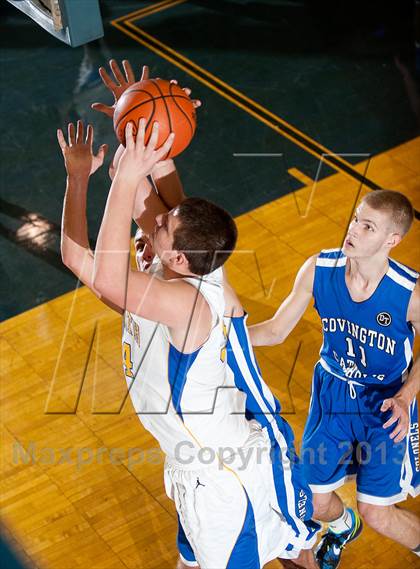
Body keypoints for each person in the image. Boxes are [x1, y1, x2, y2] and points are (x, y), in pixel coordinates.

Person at [57, 84, 318, 569]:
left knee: (286, 548)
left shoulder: (187, 302)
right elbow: (78, 253)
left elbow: (111, 273)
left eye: (158, 226)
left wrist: (126, 174)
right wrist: (138, 132)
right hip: (193, 463)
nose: (149, 219)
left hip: (224, 478)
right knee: (278, 548)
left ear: (177, 256)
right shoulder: (177, 269)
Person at [248, 190, 420, 568]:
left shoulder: (410, 292)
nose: (354, 229)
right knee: (310, 498)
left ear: (392, 240)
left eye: (368, 226)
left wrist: (406, 397)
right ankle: (344, 525)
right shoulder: (318, 269)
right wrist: (227, 335)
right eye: (356, 218)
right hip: (333, 394)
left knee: (378, 512)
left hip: (386, 403)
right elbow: (276, 330)